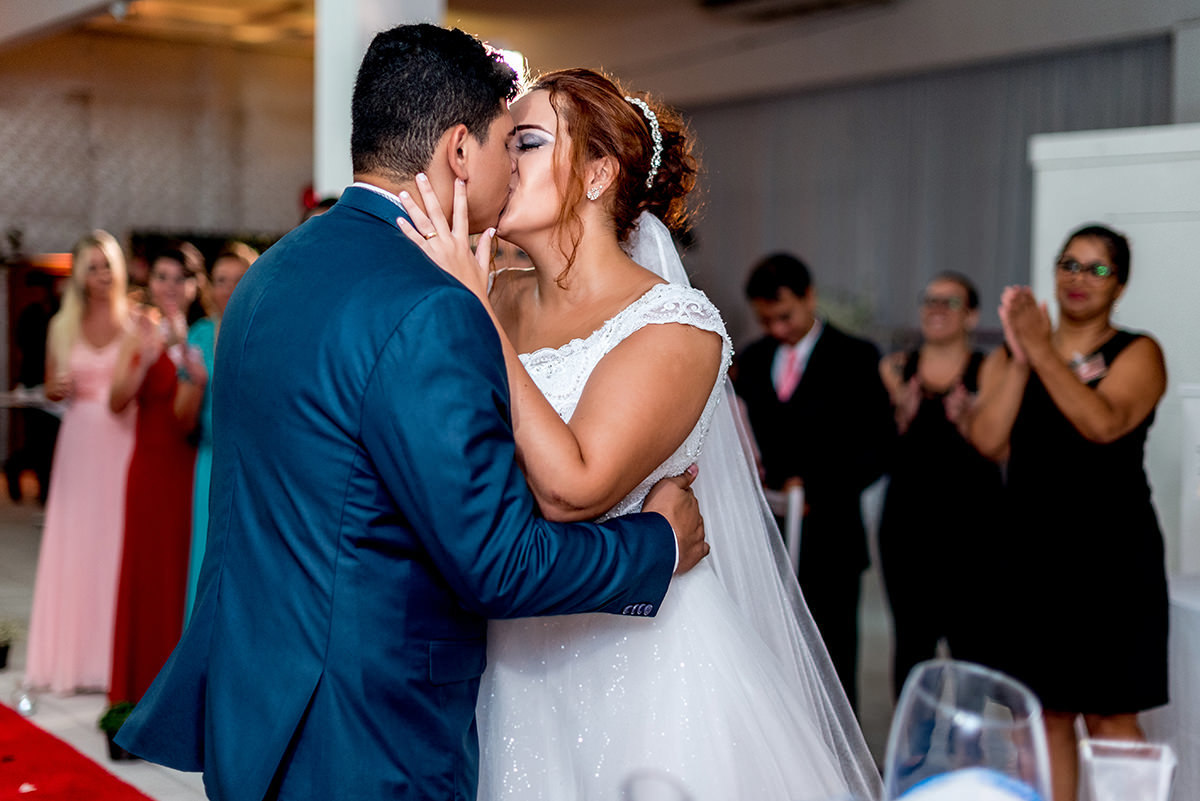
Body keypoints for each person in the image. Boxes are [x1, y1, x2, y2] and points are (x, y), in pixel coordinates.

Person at [115, 24, 705, 801]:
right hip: (367, 734)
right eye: (507, 143)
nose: (511, 166)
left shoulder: (270, 275)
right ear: (460, 152)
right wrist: (658, 542)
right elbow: (499, 562)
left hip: (258, 707)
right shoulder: (436, 304)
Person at [400, 67, 880, 800]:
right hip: (502, 649)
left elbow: (574, 487)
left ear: (597, 174)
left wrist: (476, 317)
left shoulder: (678, 329)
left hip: (641, 671)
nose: (502, 158)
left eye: (526, 141)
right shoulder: (487, 285)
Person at [968, 224, 1169, 801]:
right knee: (1044, 715)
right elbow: (986, 438)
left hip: (1114, 559)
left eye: (1098, 269)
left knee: (1110, 715)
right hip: (1031, 556)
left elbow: (1102, 424)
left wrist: (1041, 349)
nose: (1079, 279)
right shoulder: (1017, 351)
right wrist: (1027, 355)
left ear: (1120, 286)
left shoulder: (1139, 351)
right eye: (1070, 264)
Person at [732, 253, 894, 710]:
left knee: (833, 659)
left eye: (785, 316)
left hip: (833, 539)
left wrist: (816, 489)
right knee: (769, 655)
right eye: (766, 320)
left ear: (809, 296)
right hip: (767, 533)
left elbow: (876, 450)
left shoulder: (856, 356)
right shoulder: (753, 356)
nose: (778, 329)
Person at [876, 273, 1004, 698]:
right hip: (907, 529)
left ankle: (968, 750)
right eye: (930, 300)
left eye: (950, 302)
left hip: (976, 530)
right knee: (912, 646)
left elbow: (1004, 450)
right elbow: (874, 454)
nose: (936, 309)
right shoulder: (894, 370)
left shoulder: (990, 371)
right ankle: (912, 758)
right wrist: (899, 415)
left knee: (973, 647)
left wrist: (971, 421)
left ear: (972, 315)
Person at [24, 231, 136, 693]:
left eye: (106, 265)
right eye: (91, 267)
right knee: (75, 543)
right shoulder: (61, 326)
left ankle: (111, 661)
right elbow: (51, 388)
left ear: (118, 269)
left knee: (115, 543)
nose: (100, 275)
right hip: (78, 443)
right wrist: (57, 390)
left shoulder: (136, 322)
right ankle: (70, 659)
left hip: (123, 440)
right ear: (79, 276)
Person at [107, 244, 207, 707]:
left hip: (188, 470)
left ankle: (173, 693)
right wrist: (148, 358)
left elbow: (188, 421)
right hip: (148, 469)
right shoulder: (139, 331)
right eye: (162, 277)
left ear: (192, 286)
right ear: (151, 284)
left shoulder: (201, 339)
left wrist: (195, 379)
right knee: (146, 576)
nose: (169, 286)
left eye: (178, 278)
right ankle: (135, 689)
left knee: (181, 578)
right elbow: (116, 402)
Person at [183, 242, 257, 624]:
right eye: (220, 281)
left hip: (255, 466)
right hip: (210, 460)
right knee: (204, 559)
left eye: (238, 279)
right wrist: (196, 384)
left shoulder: (266, 330)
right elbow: (182, 418)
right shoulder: (198, 334)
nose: (228, 289)